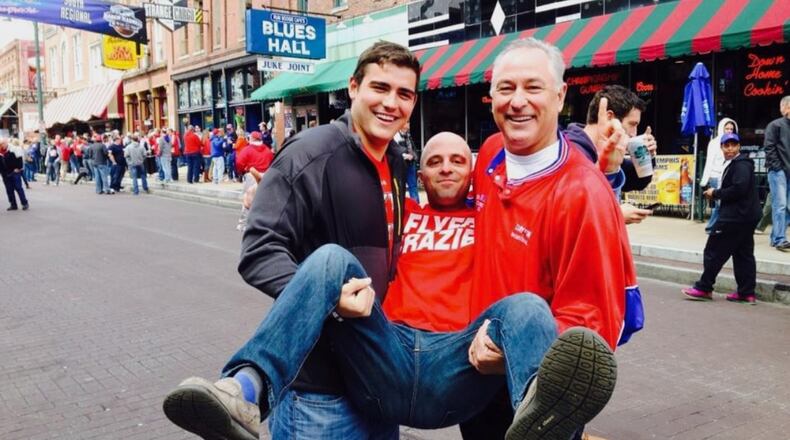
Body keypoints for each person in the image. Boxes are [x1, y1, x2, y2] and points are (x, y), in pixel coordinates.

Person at [164, 41, 417, 440]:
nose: (391, 103)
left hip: (375, 383)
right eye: (380, 88)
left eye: (404, 94)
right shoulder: (311, 151)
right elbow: (260, 249)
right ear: (353, 88)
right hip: (318, 396)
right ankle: (244, 388)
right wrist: (328, 300)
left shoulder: (397, 162)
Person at [682, 133, 761, 304]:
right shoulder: (739, 164)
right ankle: (746, 293)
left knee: (713, 251)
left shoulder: (740, 165)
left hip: (735, 217)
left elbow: (739, 188)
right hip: (747, 216)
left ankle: (704, 287)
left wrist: (715, 193)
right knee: (743, 254)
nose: (730, 149)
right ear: (722, 148)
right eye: (727, 146)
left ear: (739, 146)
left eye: (734, 145)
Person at [564, 84, 656, 224]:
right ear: (610, 118)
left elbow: (637, 181)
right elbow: (570, 212)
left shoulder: (607, 151)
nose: (634, 133)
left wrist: (647, 156)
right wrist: (615, 214)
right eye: (632, 124)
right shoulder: (569, 152)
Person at [701, 118, 738, 233]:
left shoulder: (733, 143)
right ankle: (711, 227)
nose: (729, 131)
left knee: (723, 203)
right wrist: (705, 179)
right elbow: (709, 161)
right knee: (719, 204)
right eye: (727, 128)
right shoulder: (714, 143)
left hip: (727, 176)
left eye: (731, 129)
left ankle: (718, 226)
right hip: (716, 176)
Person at [764, 96, 790, 251]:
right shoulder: (775, 125)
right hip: (778, 171)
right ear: (785, 108)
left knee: (785, 207)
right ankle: (780, 239)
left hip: (784, 170)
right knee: (780, 205)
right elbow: (769, 147)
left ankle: (776, 237)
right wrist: (777, 167)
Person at [0, 138, 29, 211]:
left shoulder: (14, 149)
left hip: (14, 172)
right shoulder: (1, 152)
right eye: (1, 144)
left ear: (6, 143)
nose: (2, 145)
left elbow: (20, 159)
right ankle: (13, 204)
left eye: (3, 143)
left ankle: (24, 203)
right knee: (9, 190)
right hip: (5, 174)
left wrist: (18, 168)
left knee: (18, 188)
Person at [394, 122, 420, 202]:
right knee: (400, 185)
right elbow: (395, 150)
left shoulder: (408, 135)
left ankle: (416, 204)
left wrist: (414, 156)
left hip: (411, 163)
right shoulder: (396, 136)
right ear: (402, 125)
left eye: (409, 123)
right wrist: (405, 156)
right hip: (401, 164)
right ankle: (401, 204)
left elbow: (412, 148)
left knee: (413, 185)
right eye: (407, 123)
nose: (408, 125)